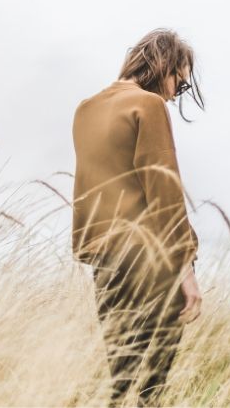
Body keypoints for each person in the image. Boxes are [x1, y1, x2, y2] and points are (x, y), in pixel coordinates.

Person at [71, 28, 205, 407]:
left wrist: (93, 252)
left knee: (121, 376)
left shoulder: (85, 110)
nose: (173, 94)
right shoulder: (147, 105)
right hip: (150, 258)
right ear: (163, 65)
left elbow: (87, 190)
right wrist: (186, 268)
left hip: (105, 262)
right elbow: (163, 190)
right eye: (178, 83)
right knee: (152, 387)